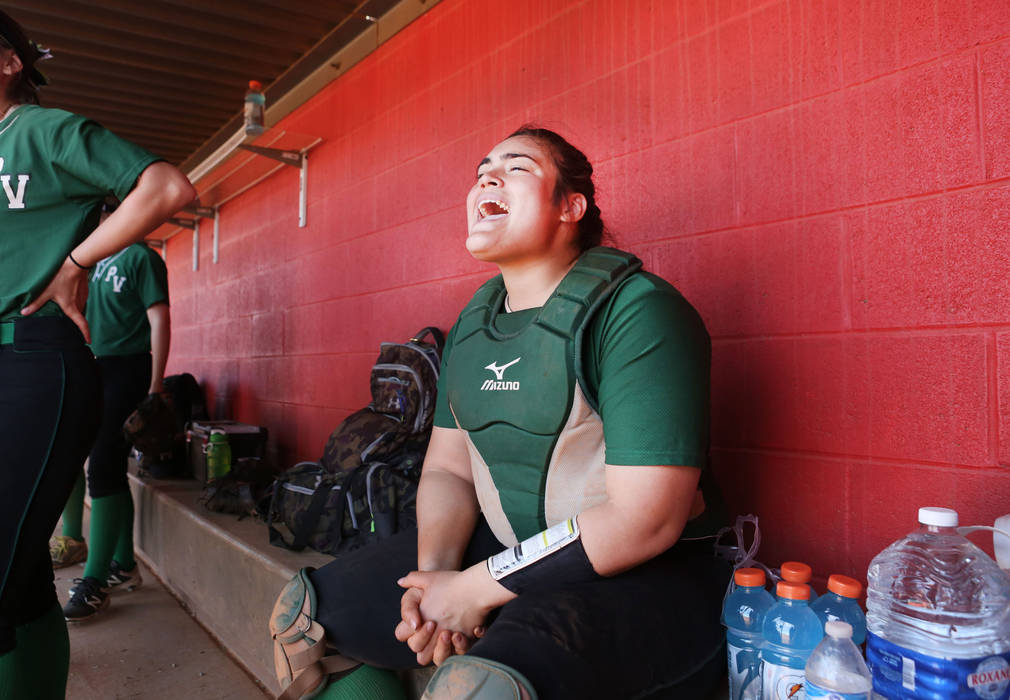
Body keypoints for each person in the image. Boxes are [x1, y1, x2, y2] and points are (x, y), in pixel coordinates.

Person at [269, 126, 730, 700]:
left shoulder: (638, 311)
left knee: (480, 689)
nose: (488, 175)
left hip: (648, 578)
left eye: (517, 167)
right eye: (483, 167)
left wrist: (475, 589)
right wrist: (434, 579)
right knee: (306, 619)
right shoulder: (472, 325)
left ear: (571, 206)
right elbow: (448, 471)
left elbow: (648, 520)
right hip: (504, 549)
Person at [0, 1, 195, 697]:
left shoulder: (39, 130)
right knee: (18, 576)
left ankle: (102, 569)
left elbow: (167, 186)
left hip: (30, 362)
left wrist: (77, 262)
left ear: (9, 62)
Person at [60, 209, 171, 620]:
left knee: (104, 466)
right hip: (95, 366)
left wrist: (156, 387)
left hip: (129, 368)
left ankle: (95, 582)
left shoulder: (142, 257)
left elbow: (159, 318)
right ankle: (122, 563)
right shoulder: (93, 259)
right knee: (105, 466)